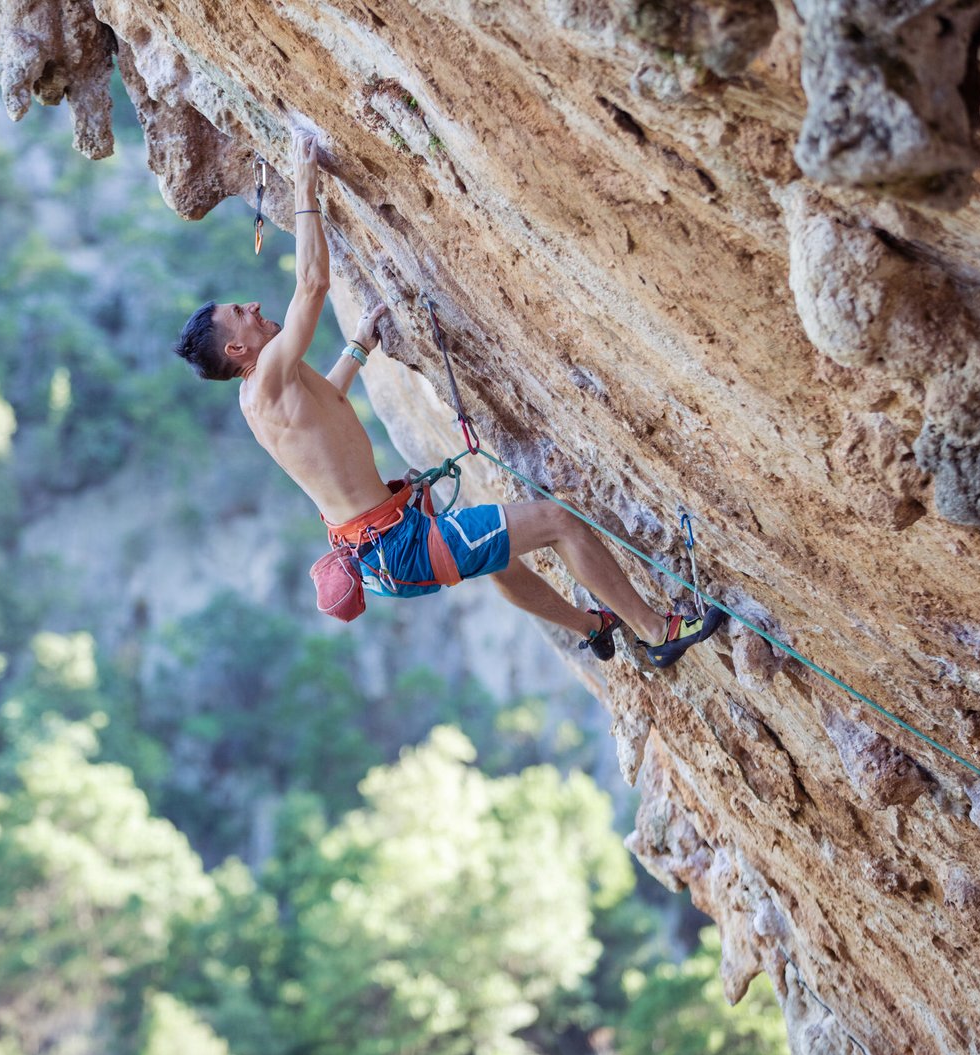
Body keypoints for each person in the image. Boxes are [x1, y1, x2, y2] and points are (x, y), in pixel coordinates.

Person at [171, 127, 723, 667]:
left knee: (499, 560)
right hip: (396, 544)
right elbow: (311, 287)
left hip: (381, 548)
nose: (251, 305)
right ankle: (657, 631)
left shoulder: (265, 395)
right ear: (239, 348)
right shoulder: (266, 375)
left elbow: (329, 405)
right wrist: (305, 189)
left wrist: (359, 347)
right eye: (239, 314)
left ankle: (592, 628)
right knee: (560, 522)